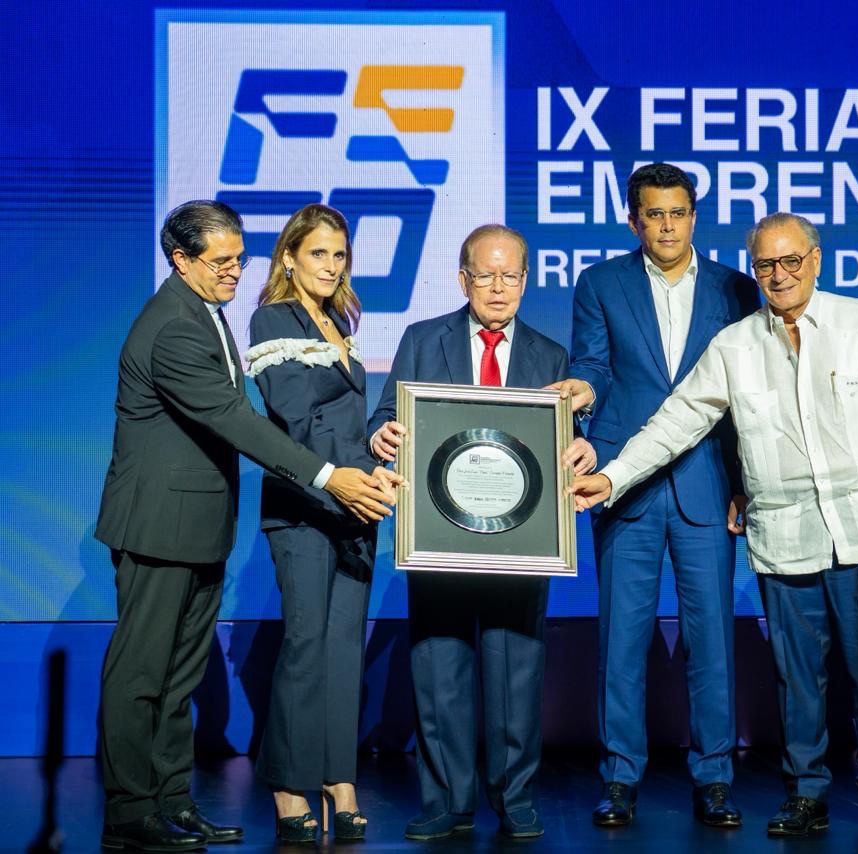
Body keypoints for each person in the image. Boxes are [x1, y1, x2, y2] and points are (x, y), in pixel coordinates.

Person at [569, 212, 858, 838]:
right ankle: (807, 792)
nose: (779, 275)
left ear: (815, 260)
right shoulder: (735, 346)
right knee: (797, 678)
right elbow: (676, 421)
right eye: (765, 265)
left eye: (792, 261)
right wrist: (613, 476)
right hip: (785, 536)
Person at [95, 200, 398, 852]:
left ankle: (172, 801)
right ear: (181, 259)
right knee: (141, 674)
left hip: (197, 524)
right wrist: (328, 477)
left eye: (239, 257)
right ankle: (129, 810)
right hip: (156, 525)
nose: (235, 270)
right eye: (220, 260)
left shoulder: (206, 314)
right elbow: (240, 422)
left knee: (177, 678)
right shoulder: (173, 326)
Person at [368, 225, 596, 841]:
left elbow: (563, 443)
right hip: (440, 536)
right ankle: (446, 799)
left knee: (516, 670)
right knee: (439, 669)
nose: (498, 288)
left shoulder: (550, 356)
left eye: (510, 276)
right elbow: (388, 414)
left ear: (526, 280)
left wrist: (583, 450)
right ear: (463, 278)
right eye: (485, 275)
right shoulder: (422, 339)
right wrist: (379, 435)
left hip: (521, 540)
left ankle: (516, 798)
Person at [550, 163, 759, 829]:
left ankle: (715, 776)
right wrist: (580, 393)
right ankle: (619, 777)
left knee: (711, 641)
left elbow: (746, 401)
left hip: (706, 483)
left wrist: (745, 485)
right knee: (622, 641)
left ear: (694, 217)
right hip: (624, 484)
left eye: (678, 213)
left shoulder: (736, 288)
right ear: (633, 219)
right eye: (654, 214)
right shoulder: (601, 282)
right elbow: (593, 365)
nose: (667, 225)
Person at [243, 204, 377, 842]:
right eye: (319, 252)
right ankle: (290, 789)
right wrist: (346, 482)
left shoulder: (342, 320)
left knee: (342, 649)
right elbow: (294, 415)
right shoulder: (273, 319)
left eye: (340, 254)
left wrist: (382, 452)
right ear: (290, 256)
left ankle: (339, 779)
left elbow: (350, 420)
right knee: (303, 645)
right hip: (305, 506)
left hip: (359, 507)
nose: (331, 265)